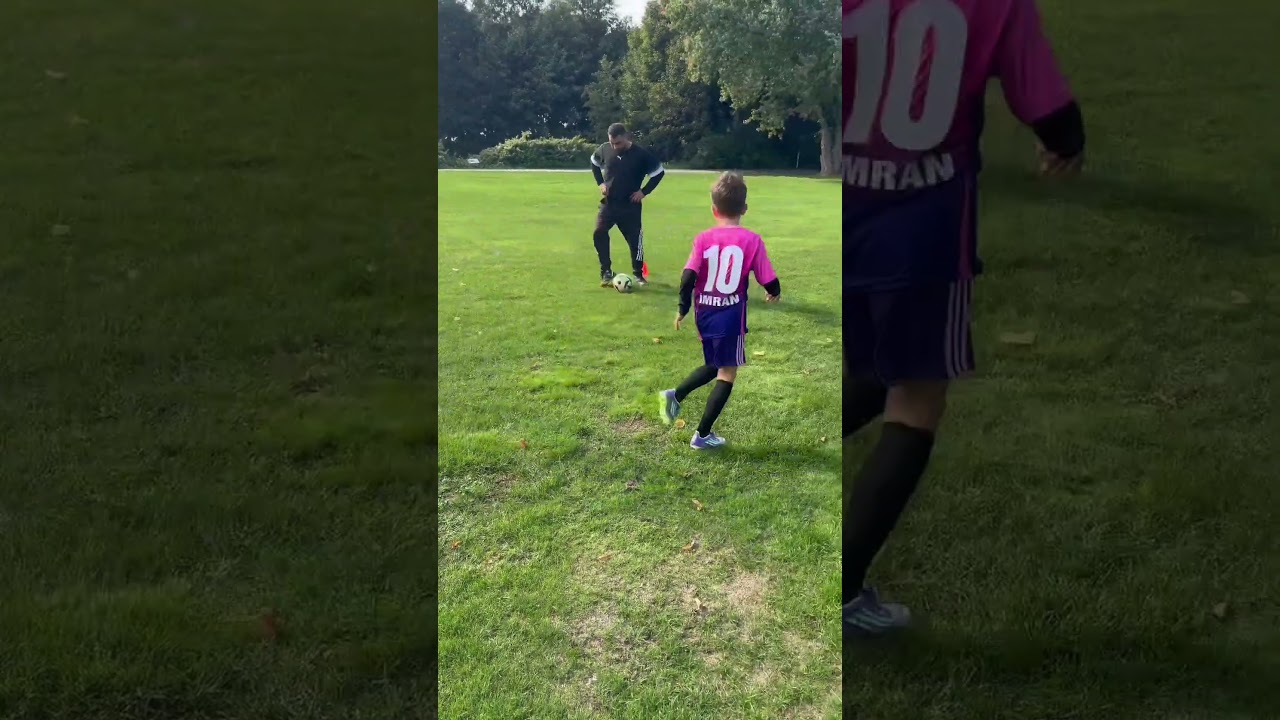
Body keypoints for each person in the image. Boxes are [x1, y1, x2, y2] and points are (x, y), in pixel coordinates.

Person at [842, 0, 1086, 637]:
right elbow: (1050, 106)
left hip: (835, 216)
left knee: (869, 371)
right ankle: (837, 590)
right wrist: (1067, 145)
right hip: (922, 223)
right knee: (917, 395)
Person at [658, 172, 781, 449]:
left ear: (714, 209)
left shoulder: (703, 238)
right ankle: (701, 436)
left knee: (714, 364)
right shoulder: (752, 240)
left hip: (706, 314)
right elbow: (768, 278)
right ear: (744, 209)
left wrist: (683, 308)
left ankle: (675, 396)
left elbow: (688, 275)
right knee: (727, 371)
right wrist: (775, 291)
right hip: (730, 317)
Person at [591, 123, 665, 287]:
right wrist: (601, 184)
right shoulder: (605, 149)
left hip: (630, 205)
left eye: (617, 143)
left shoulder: (641, 155)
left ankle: (638, 274)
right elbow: (594, 164)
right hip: (609, 204)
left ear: (626, 137)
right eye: (611, 142)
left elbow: (659, 173)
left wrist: (643, 192)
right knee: (599, 232)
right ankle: (606, 272)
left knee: (635, 240)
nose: (614, 146)